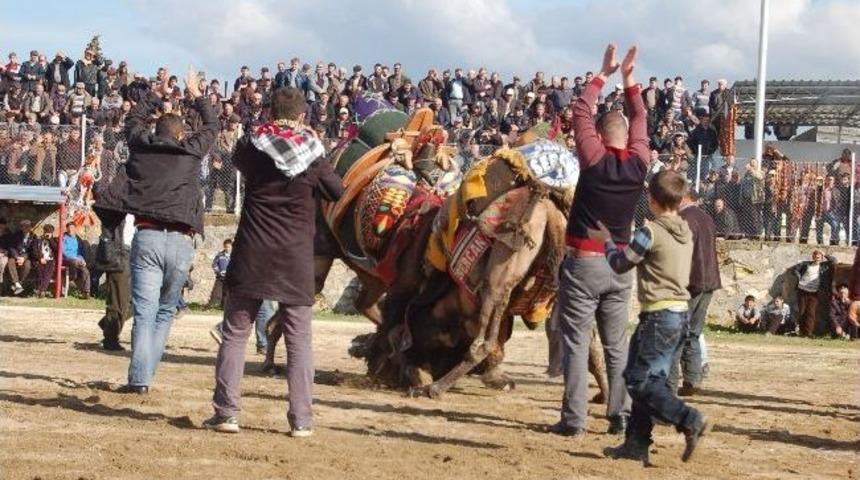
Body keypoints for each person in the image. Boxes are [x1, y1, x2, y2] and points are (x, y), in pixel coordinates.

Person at [205, 87, 343, 436]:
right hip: (295, 257)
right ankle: (302, 421)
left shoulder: (253, 147)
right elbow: (337, 192)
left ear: (270, 114)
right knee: (299, 339)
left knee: (236, 334)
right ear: (302, 117)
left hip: (253, 250)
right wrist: (316, 144)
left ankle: (227, 414)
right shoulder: (313, 155)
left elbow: (238, 152)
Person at [553, 44, 648, 439]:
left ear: (601, 135)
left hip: (584, 263)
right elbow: (641, 115)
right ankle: (620, 415)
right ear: (626, 136)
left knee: (576, 343)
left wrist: (602, 74)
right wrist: (628, 78)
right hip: (621, 265)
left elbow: (579, 111)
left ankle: (574, 421)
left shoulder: (592, 158)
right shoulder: (639, 162)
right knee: (616, 345)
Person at [591, 169, 709, 465]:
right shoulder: (684, 229)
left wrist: (606, 240)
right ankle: (636, 443)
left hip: (658, 315)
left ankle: (689, 418)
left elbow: (620, 264)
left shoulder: (650, 232)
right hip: (678, 315)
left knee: (638, 381)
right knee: (648, 378)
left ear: (652, 200)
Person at [117, 67, 217, 395]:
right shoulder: (189, 152)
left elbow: (132, 121)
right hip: (181, 241)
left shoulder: (142, 148)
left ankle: (139, 380)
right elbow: (213, 125)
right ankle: (145, 376)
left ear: (155, 131)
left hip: (146, 236)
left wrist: (157, 94)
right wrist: (196, 94)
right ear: (180, 136)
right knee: (164, 311)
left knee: (145, 313)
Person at [671, 190, 721, 397]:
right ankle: (693, 379)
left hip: (691, 283)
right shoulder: (705, 217)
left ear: (682, 197)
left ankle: (670, 385)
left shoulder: (684, 219)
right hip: (708, 281)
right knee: (693, 333)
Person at [92, 165, 134, 351]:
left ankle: (108, 325)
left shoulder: (142, 198)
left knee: (139, 299)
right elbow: (101, 197)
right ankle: (110, 336)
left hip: (139, 251)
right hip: (120, 251)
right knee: (119, 299)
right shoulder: (114, 203)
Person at [791, 249, 837, 337]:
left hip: (814, 292)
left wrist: (825, 254)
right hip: (802, 290)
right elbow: (795, 270)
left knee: (811, 313)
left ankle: (809, 333)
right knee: (802, 312)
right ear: (813, 257)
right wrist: (799, 277)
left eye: (819, 257)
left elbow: (834, 260)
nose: (817, 258)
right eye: (816, 256)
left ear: (821, 258)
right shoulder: (806, 264)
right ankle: (802, 332)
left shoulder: (824, 265)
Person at [62, 223, 91, 299]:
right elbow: (63, 252)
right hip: (67, 259)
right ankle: (73, 277)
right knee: (74, 262)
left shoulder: (77, 239)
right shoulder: (64, 238)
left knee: (86, 271)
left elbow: (79, 253)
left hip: (77, 259)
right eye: (69, 228)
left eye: (72, 227)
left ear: (75, 229)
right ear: (67, 229)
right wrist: (75, 258)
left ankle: (86, 292)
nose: (70, 229)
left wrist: (82, 260)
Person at [8, 219, 37, 292]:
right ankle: (17, 283)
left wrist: (23, 258)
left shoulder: (34, 237)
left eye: (27, 227)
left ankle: (18, 284)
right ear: (21, 227)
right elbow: (11, 247)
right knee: (10, 261)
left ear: (30, 227)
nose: (25, 228)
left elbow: (32, 251)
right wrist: (17, 257)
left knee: (27, 265)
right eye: (23, 227)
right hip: (16, 255)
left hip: (27, 257)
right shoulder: (16, 235)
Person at [208, 239, 232, 309]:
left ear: (231, 247)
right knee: (216, 292)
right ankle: (211, 305)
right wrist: (218, 272)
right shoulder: (220, 255)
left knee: (227, 292)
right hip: (220, 277)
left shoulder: (234, 256)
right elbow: (214, 264)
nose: (227, 248)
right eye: (225, 247)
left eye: (228, 247)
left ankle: (224, 307)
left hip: (230, 277)